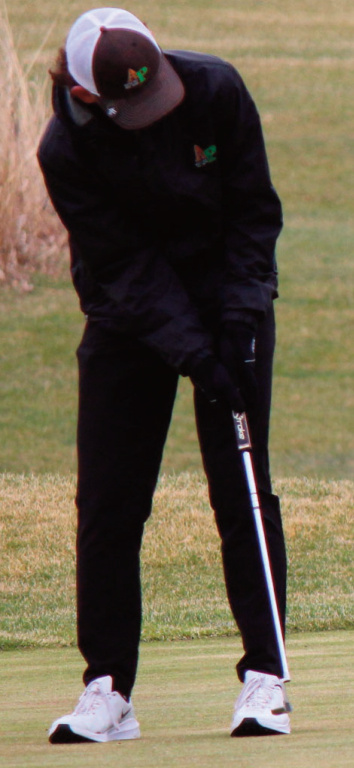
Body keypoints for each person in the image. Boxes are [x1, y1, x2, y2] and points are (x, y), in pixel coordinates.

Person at [38, 6, 291, 743]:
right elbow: (125, 268)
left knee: (243, 489)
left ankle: (266, 679)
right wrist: (195, 355)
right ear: (86, 96)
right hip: (129, 317)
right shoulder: (66, 149)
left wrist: (238, 326)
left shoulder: (214, 89)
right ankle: (108, 690)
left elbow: (254, 213)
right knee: (109, 504)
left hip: (229, 303)